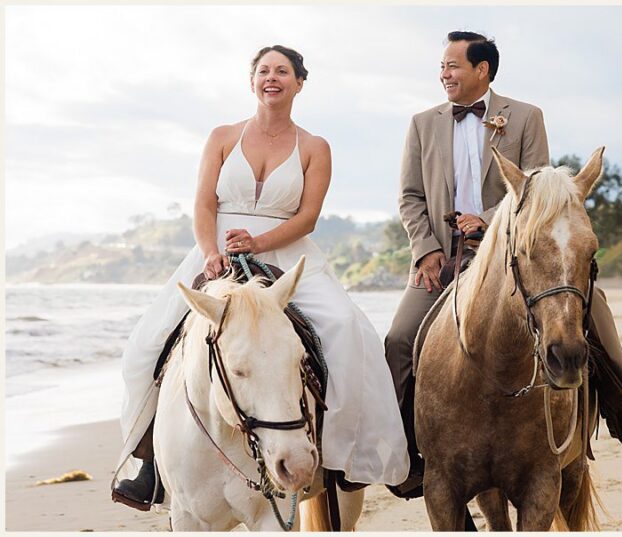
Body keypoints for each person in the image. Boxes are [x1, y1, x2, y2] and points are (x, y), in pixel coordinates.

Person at [113, 46, 409, 510]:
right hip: (214, 251)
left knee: (349, 331)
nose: (272, 78)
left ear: (299, 83)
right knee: (144, 348)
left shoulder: (314, 147)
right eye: (264, 71)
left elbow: (308, 216)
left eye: (283, 72)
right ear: (252, 81)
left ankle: (337, 457)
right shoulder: (223, 136)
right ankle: (146, 463)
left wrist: (260, 243)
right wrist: (211, 253)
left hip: (286, 252)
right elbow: (204, 205)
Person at [383, 31, 622, 497]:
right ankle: (403, 450)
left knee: (591, 310)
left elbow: (542, 192)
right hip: (442, 256)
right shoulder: (421, 124)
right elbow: (409, 197)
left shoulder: (527, 117)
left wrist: (489, 221)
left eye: (452, 65)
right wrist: (425, 249)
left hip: (515, 250)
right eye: (442, 66)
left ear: (482, 70)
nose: (443, 74)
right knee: (396, 341)